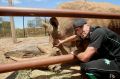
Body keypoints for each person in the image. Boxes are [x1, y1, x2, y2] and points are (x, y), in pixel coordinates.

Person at [54, 18, 120, 79]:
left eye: (81, 27)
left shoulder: (98, 32)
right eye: (77, 30)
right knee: (84, 65)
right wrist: (62, 41)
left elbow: (85, 57)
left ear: (87, 25)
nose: (80, 31)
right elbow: (75, 37)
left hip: (117, 61)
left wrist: (75, 52)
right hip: (111, 58)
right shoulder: (88, 33)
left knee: (87, 68)